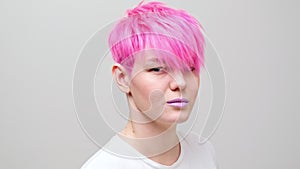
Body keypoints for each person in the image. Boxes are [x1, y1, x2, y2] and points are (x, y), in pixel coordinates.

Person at [81, 1, 217, 168]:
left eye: (189, 68)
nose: (180, 83)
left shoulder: (203, 152)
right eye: (158, 69)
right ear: (123, 78)